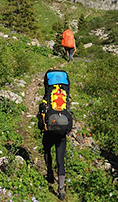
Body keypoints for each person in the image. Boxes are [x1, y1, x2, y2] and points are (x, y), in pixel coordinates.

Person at [38, 69, 72, 200]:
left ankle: (50, 173)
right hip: (62, 132)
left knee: (47, 150)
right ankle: (61, 189)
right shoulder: (65, 97)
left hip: (49, 129)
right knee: (61, 160)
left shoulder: (48, 99)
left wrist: (41, 125)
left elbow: (42, 115)